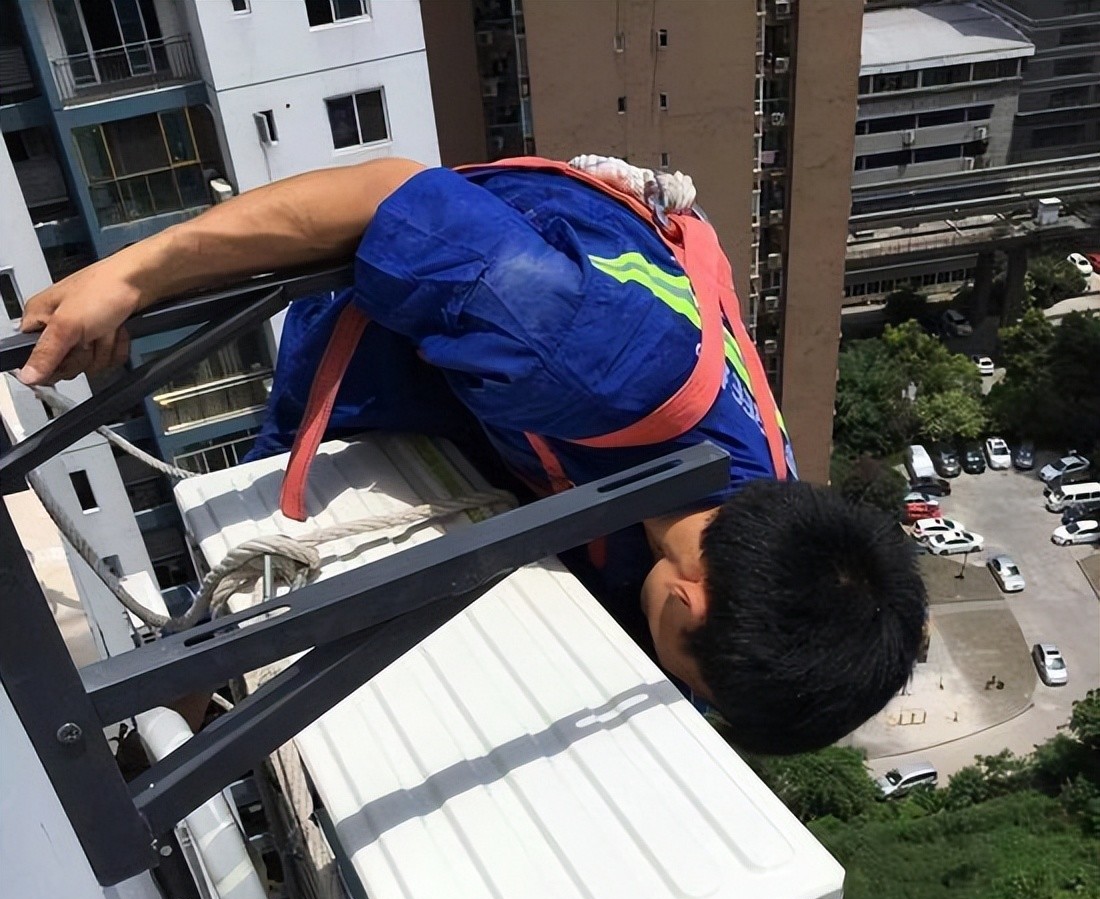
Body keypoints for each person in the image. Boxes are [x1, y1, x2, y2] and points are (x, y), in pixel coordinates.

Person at [17, 155, 926, 755]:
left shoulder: (767, 509)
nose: (682, 691)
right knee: (263, 561)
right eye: (693, 678)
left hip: (505, 421)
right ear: (690, 602)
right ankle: (173, 703)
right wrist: (130, 276)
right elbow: (383, 195)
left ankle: (186, 703)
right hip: (401, 361)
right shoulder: (578, 356)